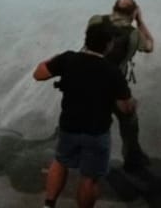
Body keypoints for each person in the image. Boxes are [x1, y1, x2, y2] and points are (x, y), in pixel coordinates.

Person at [33, 19, 133, 208]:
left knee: (60, 162)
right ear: (108, 45)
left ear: (86, 40)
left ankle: (49, 204)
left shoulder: (68, 59)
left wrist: (54, 60)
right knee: (89, 179)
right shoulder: (112, 71)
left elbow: (38, 74)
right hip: (96, 132)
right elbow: (125, 108)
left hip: (69, 127)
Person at [85, 0, 154, 171]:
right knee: (129, 119)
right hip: (115, 84)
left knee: (91, 118)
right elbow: (149, 46)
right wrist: (140, 22)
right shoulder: (134, 34)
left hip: (89, 79)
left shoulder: (96, 20)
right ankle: (132, 157)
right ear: (134, 13)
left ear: (114, 8)